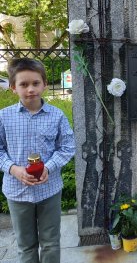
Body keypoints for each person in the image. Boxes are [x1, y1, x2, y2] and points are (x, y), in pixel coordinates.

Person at [0, 58, 75, 263]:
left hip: (49, 189)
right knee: (26, 245)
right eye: (23, 84)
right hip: (17, 191)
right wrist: (13, 169)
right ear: (13, 87)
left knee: (51, 242)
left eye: (35, 83)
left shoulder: (57, 116)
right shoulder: (4, 117)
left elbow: (68, 147)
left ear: (45, 84)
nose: (30, 89)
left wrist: (48, 168)